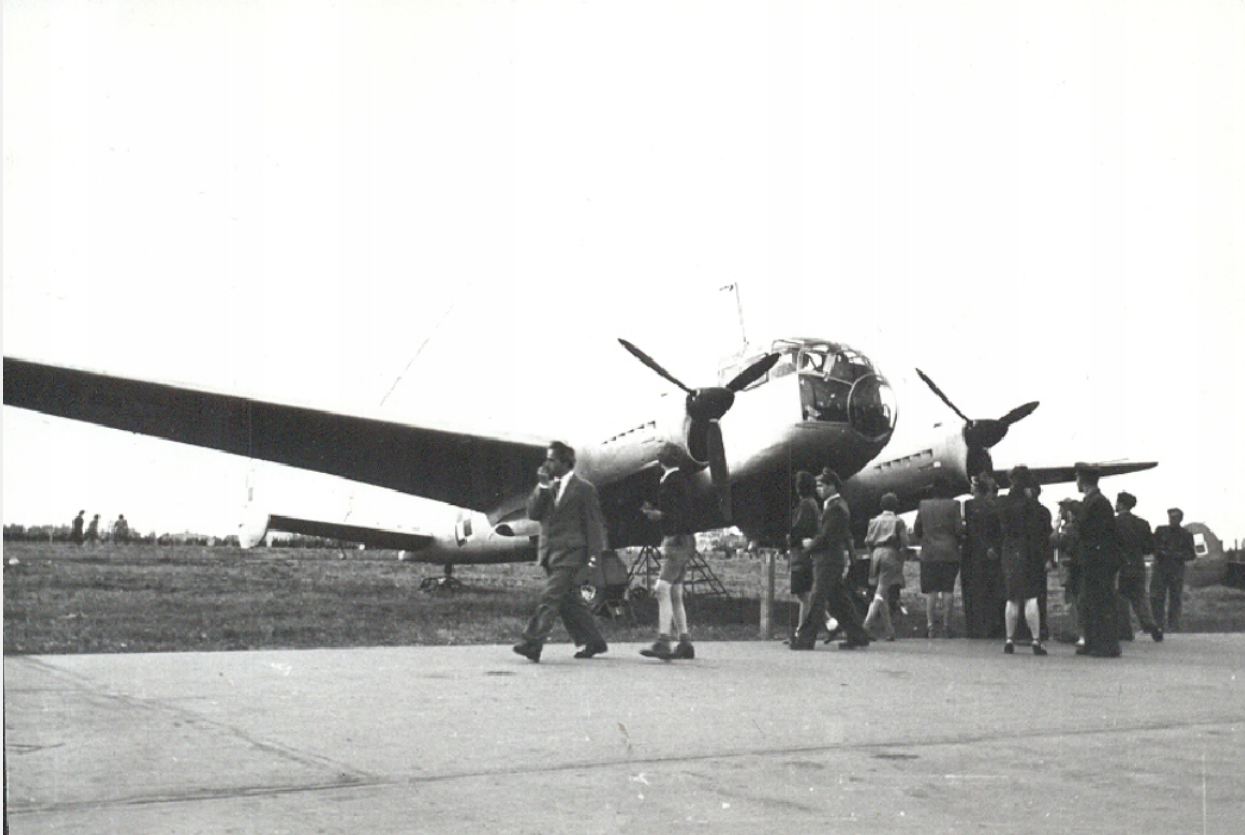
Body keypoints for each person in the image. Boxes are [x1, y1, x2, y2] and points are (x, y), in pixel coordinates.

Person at [512, 441, 609, 663]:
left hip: (572, 554)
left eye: (551, 460)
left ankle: (532, 643)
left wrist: (594, 558)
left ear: (566, 463)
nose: (546, 464)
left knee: (550, 597)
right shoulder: (547, 487)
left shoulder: (584, 489)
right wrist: (542, 487)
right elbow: (533, 513)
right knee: (568, 602)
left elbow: (594, 525)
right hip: (550, 553)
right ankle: (594, 641)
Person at [790, 468, 871, 651]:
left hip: (828, 560)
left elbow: (826, 537)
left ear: (832, 486)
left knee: (817, 599)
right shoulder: (837, 505)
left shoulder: (835, 508)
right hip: (833, 560)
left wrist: (810, 545)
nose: (819, 489)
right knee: (839, 601)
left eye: (822, 485)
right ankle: (857, 636)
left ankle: (805, 639)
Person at [639, 443, 696, 661]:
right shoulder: (678, 479)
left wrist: (659, 515)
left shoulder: (673, 481)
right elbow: (683, 511)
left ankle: (663, 641)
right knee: (675, 592)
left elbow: (678, 514)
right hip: (684, 540)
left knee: (662, 588)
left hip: (676, 540)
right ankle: (684, 642)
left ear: (663, 459)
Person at [998, 466, 1051, 656]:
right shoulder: (1037, 508)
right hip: (1031, 553)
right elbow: (1043, 533)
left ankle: (1009, 639)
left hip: (1010, 552)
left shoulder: (1004, 503)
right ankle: (1036, 639)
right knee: (1031, 597)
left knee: (1012, 598)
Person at [1074, 463, 1122, 658]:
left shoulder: (1097, 503)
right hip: (1093, 561)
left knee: (1101, 603)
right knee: (1090, 603)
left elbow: (1096, 534)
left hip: (1098, 562)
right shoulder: (1093, 501)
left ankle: (1106, 645)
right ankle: (1093, 642)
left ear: (1083, 480)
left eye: (1077, 478)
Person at [1114, 492, 1163, 641]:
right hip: (1138, 564)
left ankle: (1125, 631)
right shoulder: (1142, 523)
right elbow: (1149, 547)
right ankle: (1150, 624)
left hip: (1120, 565)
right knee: (1140, 598)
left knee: (1121, 598)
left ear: (1121, 504)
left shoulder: (1114, 522)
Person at [913, 496, 963, 638]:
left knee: (931, 591)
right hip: (949, 552)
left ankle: (930, 627)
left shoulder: (923, 504)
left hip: (929, 553)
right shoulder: (954, 505)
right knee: (948, 589)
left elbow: (917, 529)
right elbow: (959, 529)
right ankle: (946, 626)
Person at [962, 474, 1004, 639]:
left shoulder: (969, 505)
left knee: (973, 591)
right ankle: (991, 626)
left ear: (977, 488)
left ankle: (974, 627)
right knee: (989, 590)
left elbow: (971, 530)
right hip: (990, 552)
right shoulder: (994, 506)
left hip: (972, 552)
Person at [862, 493, 909, 641]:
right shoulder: (898, 522)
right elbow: (905, 543)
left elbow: (868, 541)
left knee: (882, 592)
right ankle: (865, 626)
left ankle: (889, 630)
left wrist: (873, 554)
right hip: (890, 553)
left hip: (876, 553)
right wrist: (901, 558)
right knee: (881, 592)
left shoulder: (873, 521)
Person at [1151, 507, 1196, 632]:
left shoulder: (1186, 535)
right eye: (1171, 517)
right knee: (1157, 597)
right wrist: (1160, 552)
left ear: (1180, 519)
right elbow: (1152, 546)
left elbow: (1191, 554)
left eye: (1175, 517)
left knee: (1175, 598)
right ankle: (1158, 625)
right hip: (1160, 569)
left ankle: (1173, 625)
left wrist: (1177, 555)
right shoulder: (1161, 531)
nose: (1172, 520)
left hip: (1176, 570)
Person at [787, 470, 820, 639]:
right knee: (804, 594)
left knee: (803, 594)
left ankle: (803, 631)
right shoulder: (811, 504)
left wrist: (790, 538)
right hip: (803, 554)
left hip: (801, 555)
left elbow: (800, 528)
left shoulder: (805, 505)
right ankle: (801, 630)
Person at [1051, 499, 1083, 644]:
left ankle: (1074, 631)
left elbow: (1055, 541)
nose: (1060, 512)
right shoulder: (1079, 527)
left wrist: (1056, 528)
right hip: (1076, 566)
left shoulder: (1069, 528)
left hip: (1069, 567)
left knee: (1071, 599)